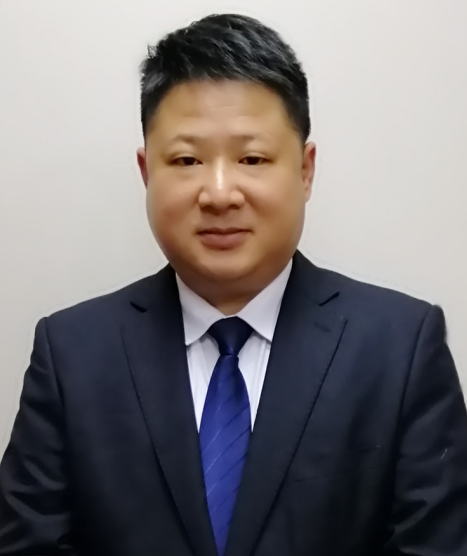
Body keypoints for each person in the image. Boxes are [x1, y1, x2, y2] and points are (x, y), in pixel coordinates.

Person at [1, 12, 466, 556]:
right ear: (146, 172)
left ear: (305, 169)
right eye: (187, 159)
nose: (219, 193)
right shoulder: (71, 353)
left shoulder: (401, 347)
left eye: (252, 158)